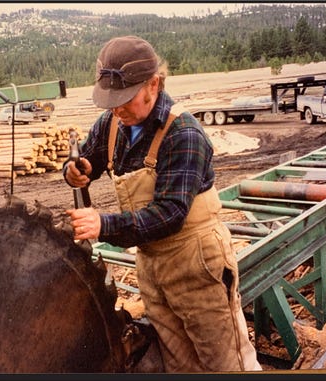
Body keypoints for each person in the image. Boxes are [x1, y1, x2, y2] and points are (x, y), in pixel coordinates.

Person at [64, 35, 262, 372]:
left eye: (125, 99)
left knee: (225, 361)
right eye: (111, 100)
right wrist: (74, 171)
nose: (117, 108)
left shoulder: (183, 133)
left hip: (196, 261)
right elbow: (86, 159)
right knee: (179, 363)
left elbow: (170, 215)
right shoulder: (113, 124)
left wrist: (104, 225)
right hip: (152, 265)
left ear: (153, 84)